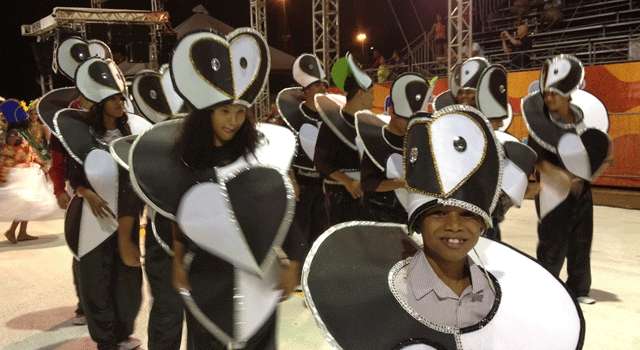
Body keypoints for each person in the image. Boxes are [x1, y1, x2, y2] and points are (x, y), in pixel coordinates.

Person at [302, 105, 585, 350]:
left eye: (468, 215)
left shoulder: (508, 300)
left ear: (484, 223)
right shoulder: (373, 305)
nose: (454, 226)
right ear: (418, 221)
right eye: (438, 213)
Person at [129, 28, 299, 349]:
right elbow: (179, 216)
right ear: (205, 114)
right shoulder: (187, 162)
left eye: (239, 112)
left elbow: (283, 211)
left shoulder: (261, 155)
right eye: (224, 111)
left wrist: (294, 260)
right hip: (206, 271)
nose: (233, 121)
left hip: (258, 270)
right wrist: (178, 260)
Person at [55, 56, 152, 350]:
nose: (120, 104)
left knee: (128, 283)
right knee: (95, 282)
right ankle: (105, 341)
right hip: (93, 220)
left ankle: (121, 333)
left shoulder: (132, 133)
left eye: (121, 98)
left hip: (127, 219)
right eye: (113, 99)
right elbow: (75, 177)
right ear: (100, 104)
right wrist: (87, 193)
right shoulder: (84, 136)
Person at [522, 54, 612, 305]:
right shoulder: (539, 126)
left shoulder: (586, 121)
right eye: (547, 93)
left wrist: (589, 175)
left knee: (581, 240)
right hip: (552, 192)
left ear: (569, 93)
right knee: (552, 243)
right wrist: (560, 177)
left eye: (555, 93)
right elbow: (536, 161)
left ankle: (579, 288)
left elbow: (599, 156)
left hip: (582, 192)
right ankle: (547, 289)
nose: (549, 98)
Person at [433, 57, 538, 241]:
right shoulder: (444, 134)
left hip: (484, 227)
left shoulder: (505, 148)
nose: (465, 99)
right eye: (462, 93)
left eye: (472, 95)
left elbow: (522, 192)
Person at [276, 53, 329, 268]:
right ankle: (296, 277)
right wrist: (291, 180)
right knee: (299, 234)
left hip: (323, 186)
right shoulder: (291, 117)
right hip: (300, 185)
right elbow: (283, 150)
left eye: (323, 85)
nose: (322, 90)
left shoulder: (329, 117)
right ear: (306, 90)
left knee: (321, 233)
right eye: (317, 86)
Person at [357, 73, 429, 224]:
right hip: (378, 216)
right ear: (391, 111)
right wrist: (402, 183)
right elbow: (367, 183)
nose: (410, 123)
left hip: (410, 216)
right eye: (406, 119)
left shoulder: (418, 140)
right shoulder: (375, 141)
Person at [314, 53, 374, 226]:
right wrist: (347, 182)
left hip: (364, 196)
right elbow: (321, 161)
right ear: (361, 94)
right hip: (339, 198)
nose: (373, 98)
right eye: (371, 93)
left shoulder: (367, 124)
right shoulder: (332, 124)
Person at [0, 99, 58, 243]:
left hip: (29, 171)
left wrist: (40, 162)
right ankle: (12, 231)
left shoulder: (22, 132)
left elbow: (30, 152)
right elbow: (11, 150)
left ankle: (21, 232)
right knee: (27, 203)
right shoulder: (14, 133)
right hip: (22, 174)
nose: (27, 116)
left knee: (29, 205)